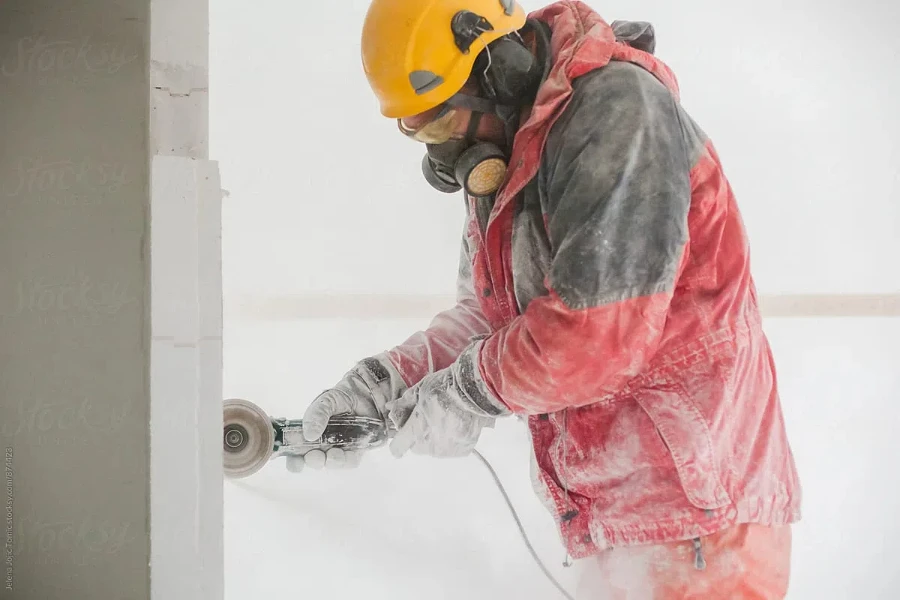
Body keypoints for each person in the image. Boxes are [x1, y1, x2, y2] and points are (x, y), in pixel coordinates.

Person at [289, 1, 802, 597]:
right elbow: (491, 315)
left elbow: (598, 332)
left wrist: (464, 395)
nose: (438, 154)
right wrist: (383, 384)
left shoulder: (618, 117)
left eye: (438, 123)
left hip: (699, 520)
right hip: (613, 518)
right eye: (417, 129)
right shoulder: (509, 152)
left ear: (497, 68)